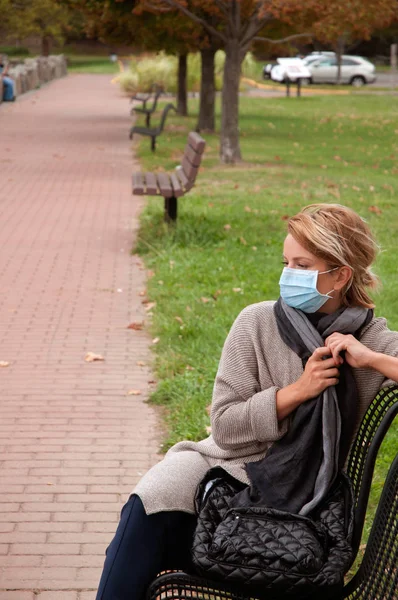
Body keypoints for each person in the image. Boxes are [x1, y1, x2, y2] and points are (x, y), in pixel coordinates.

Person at [96, 203, 398, 600]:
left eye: (303, 266)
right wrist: (297, 392)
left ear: (341, 275)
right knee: (151, 503)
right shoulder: (255, 322)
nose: (288, 275)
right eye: (286, 262)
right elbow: (225, 427)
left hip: (303, 499)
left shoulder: (369, 340)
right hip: (221, 470)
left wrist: (372, 360)